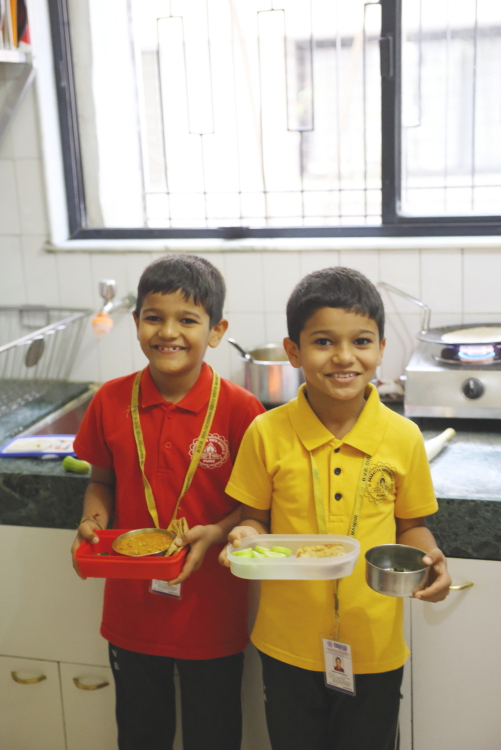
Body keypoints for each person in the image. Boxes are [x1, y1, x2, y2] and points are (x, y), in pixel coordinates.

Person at [220, 267, 451, 750]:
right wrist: (244, 538)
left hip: (374, 645)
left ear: (381, 349)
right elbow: (253, 520)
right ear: (294, 351)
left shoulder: (403, 437)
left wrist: (431, 560)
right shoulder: (266, 432)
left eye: (361, 341)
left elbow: (412, 527)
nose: (344, 356)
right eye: (323, 342)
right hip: (287, 644)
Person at [71, 254, 264, 750]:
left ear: (216, 331)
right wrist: (93, 520)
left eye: (188, 320)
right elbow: (101, 481)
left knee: (214, 734)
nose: (169, 332)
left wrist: (217, 532)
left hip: (211, 611)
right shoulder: (110, 400)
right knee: (140, 734)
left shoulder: (242, 410)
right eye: (154, 317)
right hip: (131, 611)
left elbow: (255, 509)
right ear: (136, 323)